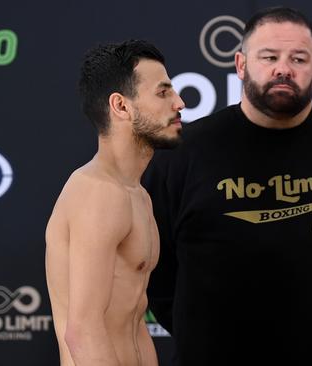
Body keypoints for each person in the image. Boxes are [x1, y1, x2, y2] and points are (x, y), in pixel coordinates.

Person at [142, 6, 312, 366]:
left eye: (298, 59)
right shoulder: (183, 153)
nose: (283, 69)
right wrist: (202, 330)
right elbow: (150, 265)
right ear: (241, 65)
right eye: (269, 57)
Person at [45, 39, 185, 365]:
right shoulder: (98, 193)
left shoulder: (137, 194)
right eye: (163, 93)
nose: (179, 102)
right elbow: (83, 332)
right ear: (121, 106)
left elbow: (134, 324)